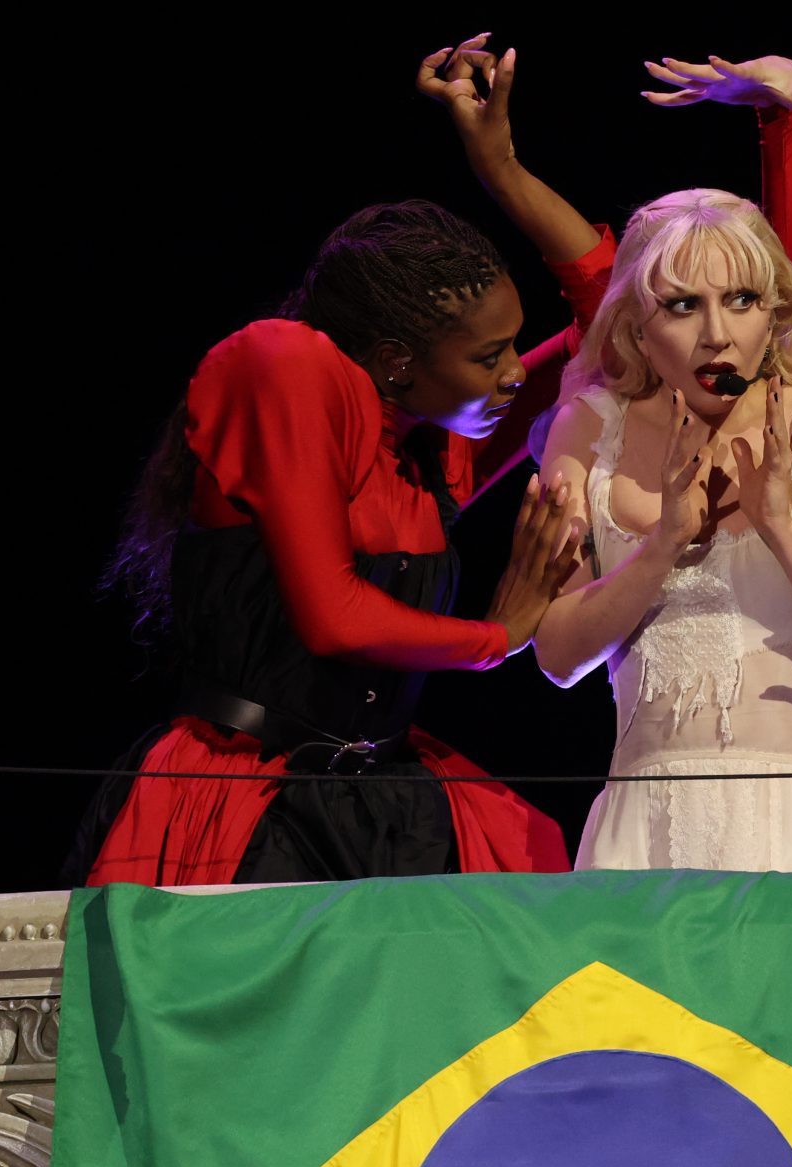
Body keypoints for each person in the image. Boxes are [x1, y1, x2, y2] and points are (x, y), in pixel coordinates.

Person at [73, 39, 614, 887]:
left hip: (387, 800)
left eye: (513, 348)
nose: (515, 372)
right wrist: (496, 637)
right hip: (251, 808)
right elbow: (333, 616)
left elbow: (613, 314)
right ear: (396, 360)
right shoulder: (283, 367)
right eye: (489, 356)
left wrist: (500, 167)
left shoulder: (432, 450)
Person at [439, 49, 792, 872]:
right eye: (684, 306)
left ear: (776, 310)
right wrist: (661, 546)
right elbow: (556, 657)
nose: (717, 335)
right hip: (642, 832)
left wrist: (780, 528)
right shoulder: (589, 426)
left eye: (741, 301)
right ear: (634, 324)